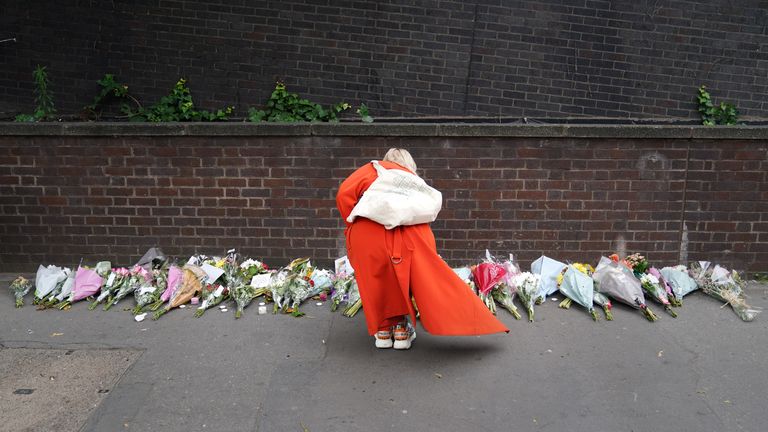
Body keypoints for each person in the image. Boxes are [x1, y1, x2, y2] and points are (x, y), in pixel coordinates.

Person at [336, 148, 509, 350]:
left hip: (367, 234)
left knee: (375, 279)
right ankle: (401, 330)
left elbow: (343, 194)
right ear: (410, 164)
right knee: (409, 278)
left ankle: (383, 331)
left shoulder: (372, 170)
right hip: (410, 236)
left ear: (386, 160)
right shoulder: (414, 181)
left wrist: (353, 220)